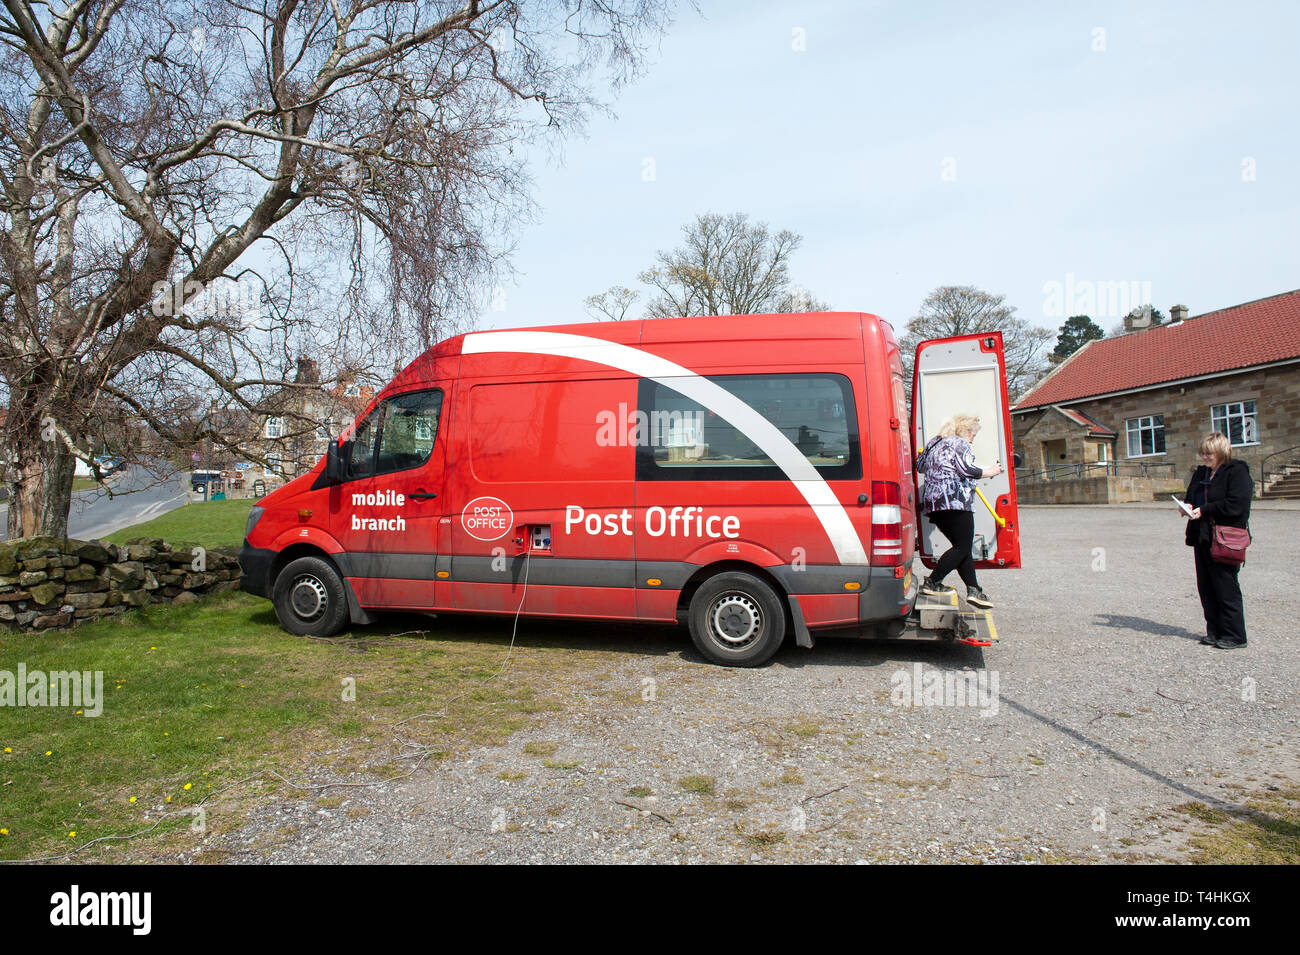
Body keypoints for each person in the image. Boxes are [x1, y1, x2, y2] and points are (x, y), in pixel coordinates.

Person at [916, 413, 1002, 609]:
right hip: (955, 500)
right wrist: (990, 471)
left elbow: (919, 466)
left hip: (933, 502)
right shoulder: (960, 443)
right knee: (962, 547)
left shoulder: (934, 442)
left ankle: (974, 590)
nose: (972, 440)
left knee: (960, 547)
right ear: (966, 431)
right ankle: (932, 582)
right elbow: (966, 469)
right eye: (973, 435)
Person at [1183, 431, 1252, 649]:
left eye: (1209, 453)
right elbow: (1190, 497)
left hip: (1225, 537)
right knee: (1206, 586)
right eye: (1202, 453)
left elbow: (1236, 505)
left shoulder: (1237, 471)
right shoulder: (1201, 473)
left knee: (1226, 586)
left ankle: (1235, 634)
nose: (1204, 458)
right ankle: (1214, 631)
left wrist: (1205, 509)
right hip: (1201, 535)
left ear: (1221, 451)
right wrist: (1187, 507)